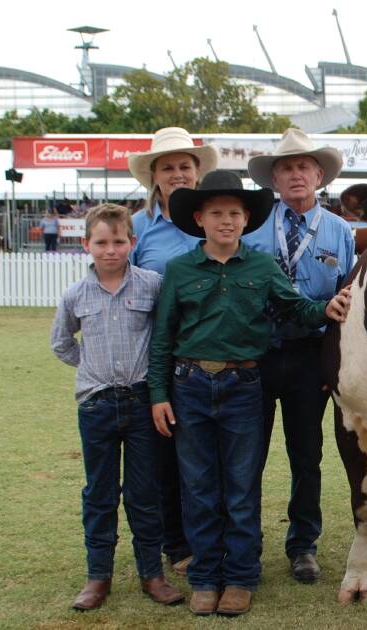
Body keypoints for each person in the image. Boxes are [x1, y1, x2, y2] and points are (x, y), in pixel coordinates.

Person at [147, 170, 346, 617]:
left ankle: (239, 577)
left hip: (242, 386)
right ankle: (205, 577)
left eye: (234, 213)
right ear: (199, 218)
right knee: (199, 485)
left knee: (240, 485)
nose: (226, 221)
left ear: (245, 219)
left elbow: (294, 306)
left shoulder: (261, 265)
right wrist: (159, 394)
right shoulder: (179, 271)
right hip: (190, 386)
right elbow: (163, 338)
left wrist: (326, 309)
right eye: (216, 213)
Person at [50, 203, 185, 612]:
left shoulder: (151, 286)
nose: (110, 250)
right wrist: (91, 369)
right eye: (101, 242)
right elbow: (62, 343)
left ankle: (151, 574)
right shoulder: (75, 294)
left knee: (144, 493)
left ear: (133, 242)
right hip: (96, 406)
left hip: (142, 402)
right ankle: (98, 576)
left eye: (119, 241)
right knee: (99, 493)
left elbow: (166, 336)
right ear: (86, 244)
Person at [243, 128, 355, 584]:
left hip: (310, 359)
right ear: (274, 178)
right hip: (255, 355)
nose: (295, 175)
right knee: (245, 456)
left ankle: (303, 545)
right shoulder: (251, 227)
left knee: (306, 456)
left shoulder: (339, 231)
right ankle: (244, 544)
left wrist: (334, 367)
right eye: (286, 168)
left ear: (319, 175)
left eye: (303, 166)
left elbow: (348, 303)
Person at [126, 127, 219, 576]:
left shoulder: (218, 219)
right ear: (154, 177)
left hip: (213, 355)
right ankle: (176, 543)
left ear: (198, 172)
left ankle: (214, 539)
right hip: (158, 355)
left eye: (185, 165)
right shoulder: (139, 229)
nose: (178, 173)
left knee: (208, 457)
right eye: (168, 167)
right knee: (165, 455)